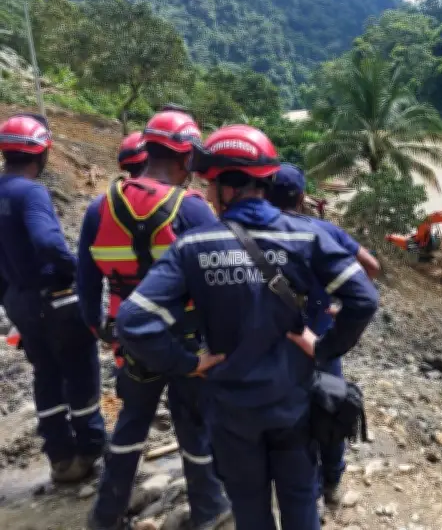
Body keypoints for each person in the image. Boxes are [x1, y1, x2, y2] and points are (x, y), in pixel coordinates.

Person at [113, 124, 379, 530]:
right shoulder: (308, 235)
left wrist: (186, 363)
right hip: (293, 406)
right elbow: (364, 299)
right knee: (300, 503)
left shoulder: (192, 246)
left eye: (211, 183)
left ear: (225, 186)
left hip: (231, 414)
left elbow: (133, 320)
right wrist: (323, 348)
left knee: (250, 510)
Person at [77, 110, 229, 530]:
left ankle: (106, 515)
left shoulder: (99, 207)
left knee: (130, 424)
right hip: (187, 341)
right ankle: (208, 510)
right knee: (194, 427)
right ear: (186, 158)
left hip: (131, 340)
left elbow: (86, 286)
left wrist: (101, 331)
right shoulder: (193, 210)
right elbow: (219, 287)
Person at [0, 114, 106, 482]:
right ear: (42, 153)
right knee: (80, 371)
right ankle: (91, 449)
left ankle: (59, 457)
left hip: (21, 301)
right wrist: (78, 270)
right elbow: (47, 242)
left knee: (46, 374)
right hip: (54, 299)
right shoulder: (30, 192)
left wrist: (11, 299)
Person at [269, 163, 379, 508]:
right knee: (330, 405)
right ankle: (331, 479)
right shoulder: (324, 230)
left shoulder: (256, 234)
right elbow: (371, 268)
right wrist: (339, 307)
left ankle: (305, 486)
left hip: (281, 340)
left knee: (290, 412)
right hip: (324, 340)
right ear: (302, 197)